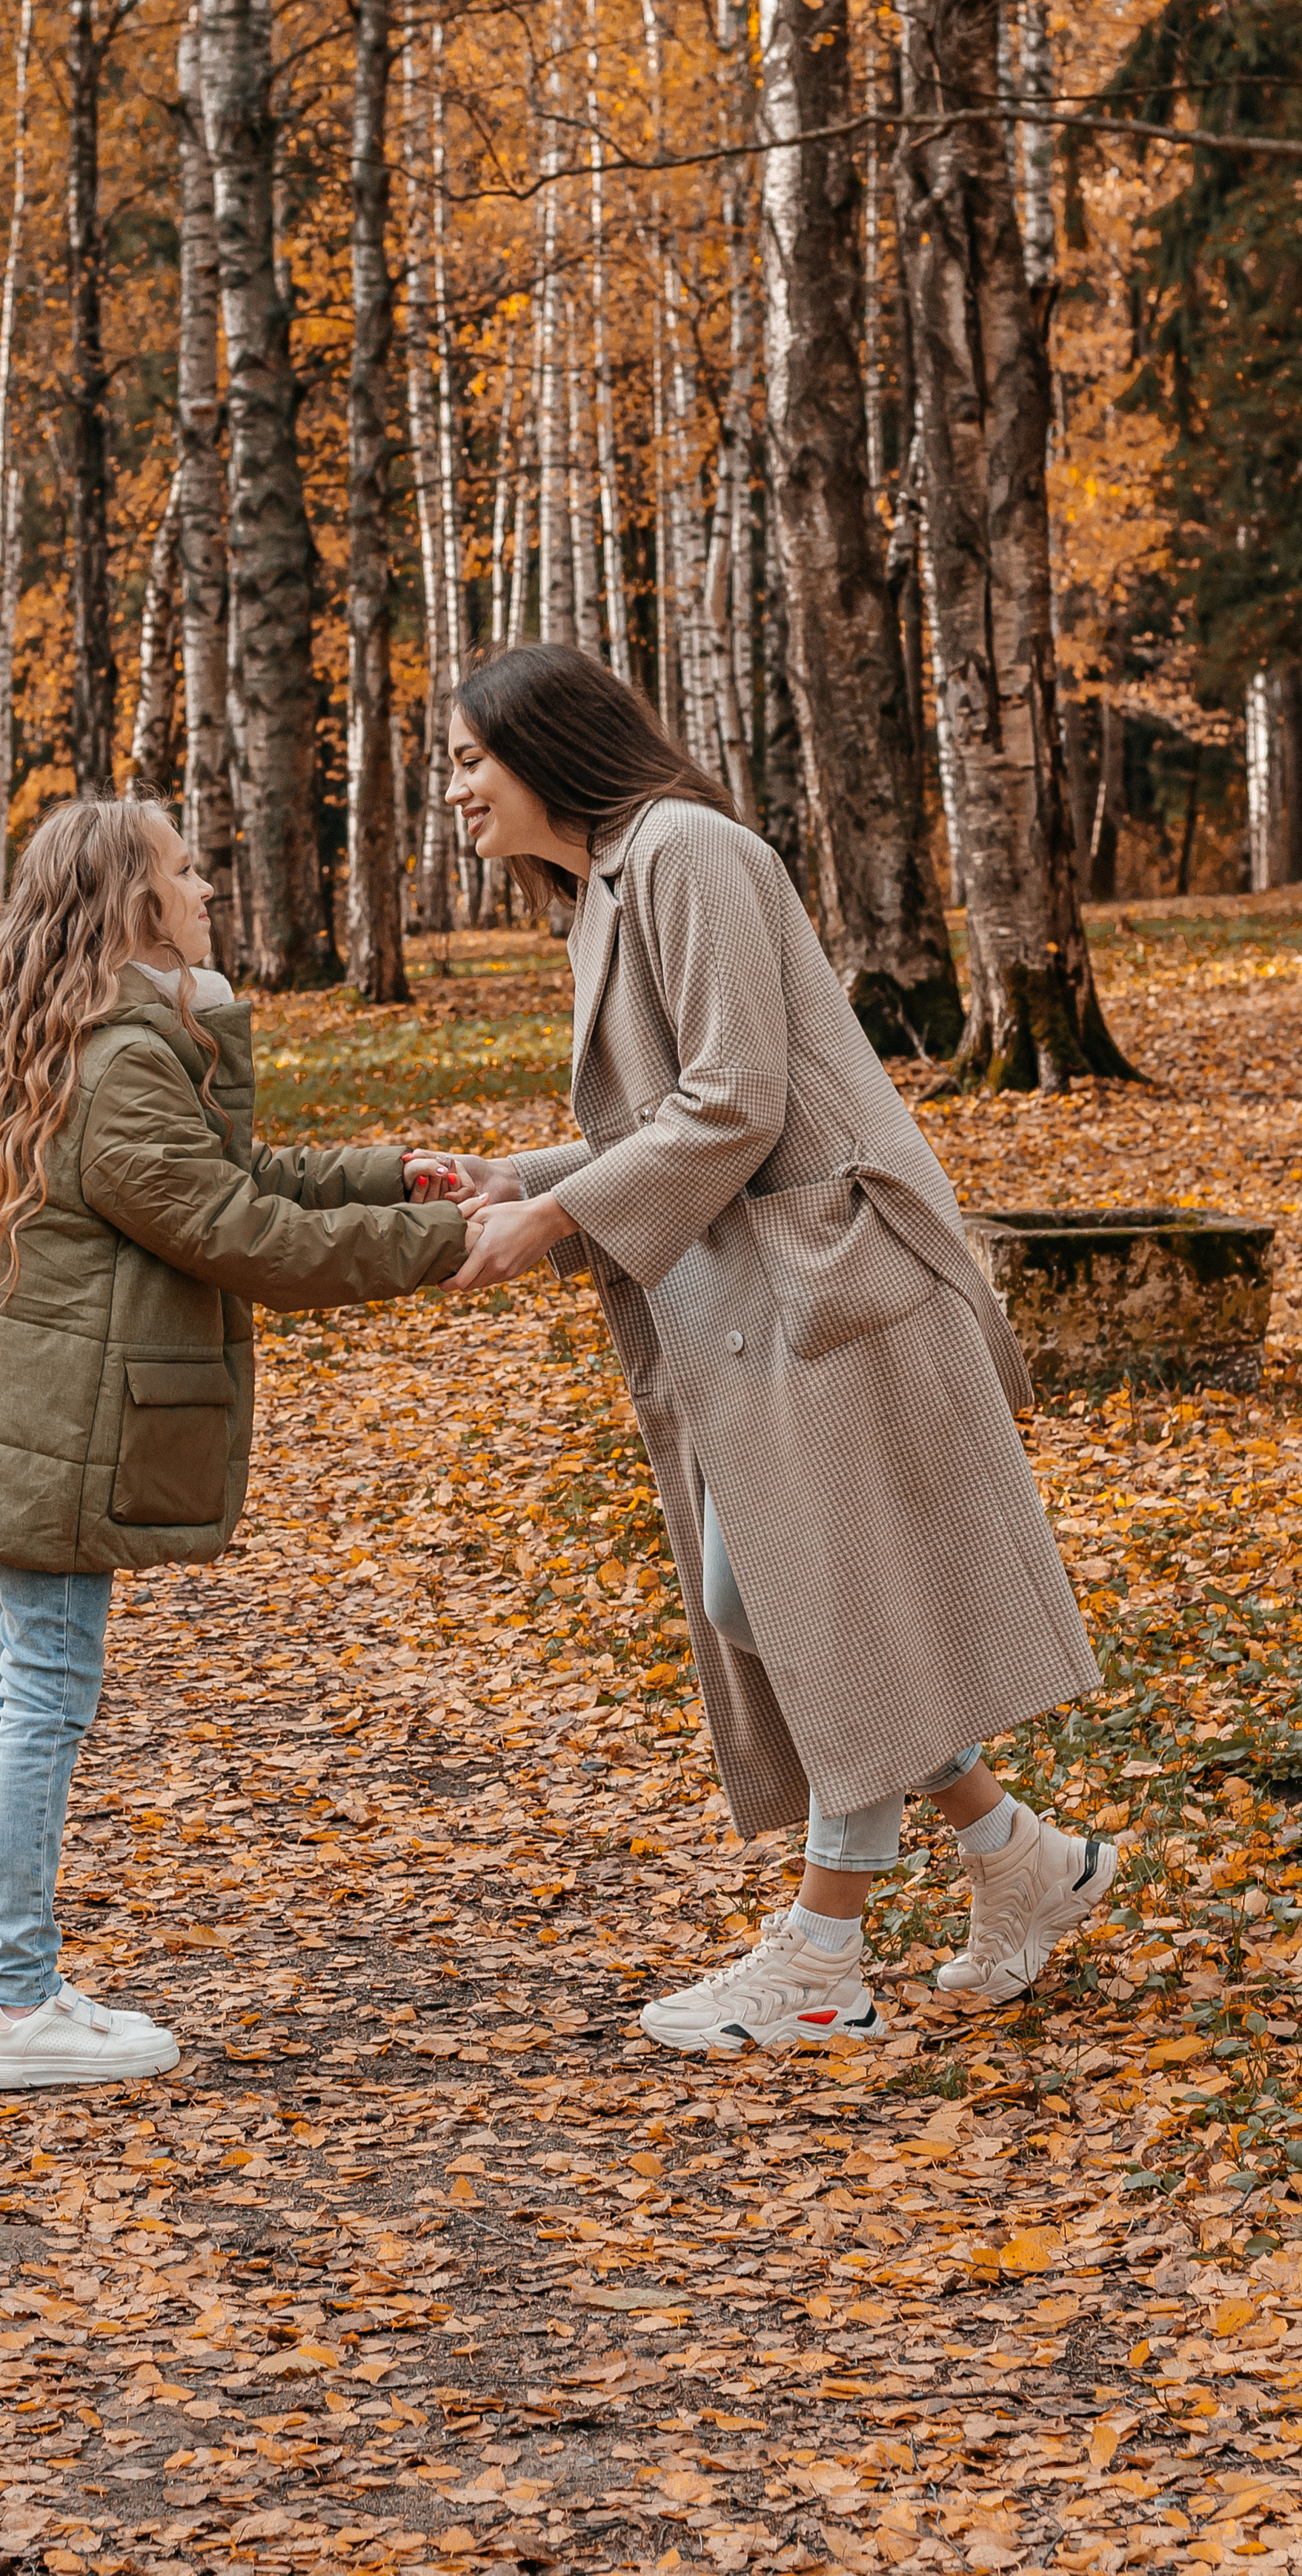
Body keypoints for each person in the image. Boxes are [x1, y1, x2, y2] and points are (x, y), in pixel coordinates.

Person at [440, 646, 1117, 2054]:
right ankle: (1018, 1858)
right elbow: (681, 1113)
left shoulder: (687, 851)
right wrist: (522, 1172)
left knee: (810, 1600)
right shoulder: (606, 885)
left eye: (466, 760)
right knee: (784, 1599)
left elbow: (738, 1103)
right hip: (780, 1300)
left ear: (545, 749)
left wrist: (562, 1218)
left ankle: (822, 1952)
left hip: (838, 1286)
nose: (452, 791)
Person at [0, 796, 470, 2091]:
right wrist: (452, 1248)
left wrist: (399, 1173)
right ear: (131, 906)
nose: (206, 883)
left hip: (41, 1425)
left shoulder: (109, 1042)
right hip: (61, 1432)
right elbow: (239, 1232)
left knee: (19, 1692)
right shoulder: (115, 1063)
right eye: (182, 871)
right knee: (39, 1691)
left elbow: (238, 1171)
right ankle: (10, 1999)